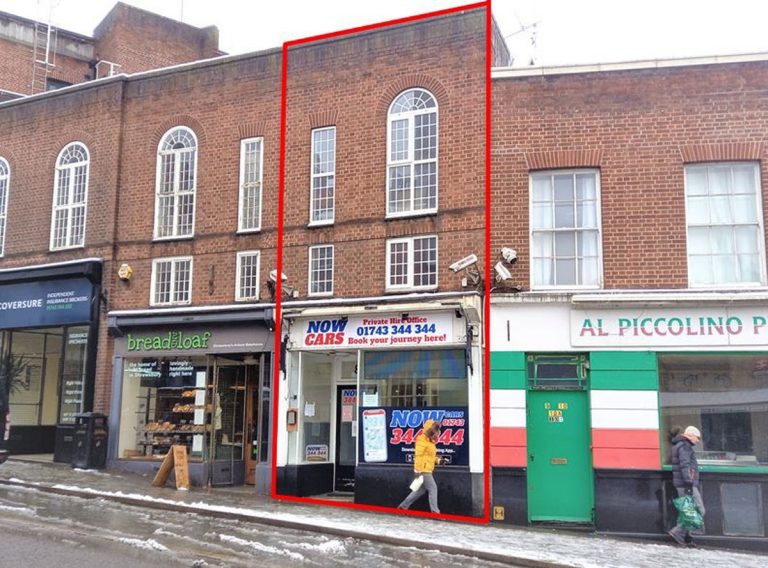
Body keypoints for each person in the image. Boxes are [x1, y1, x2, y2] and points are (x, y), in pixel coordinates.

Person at [668, 425, 705, 546]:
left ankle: (687, 537)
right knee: (699, 510)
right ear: (690, 435)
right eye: (697, 437)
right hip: (686, 484)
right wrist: (689, 481)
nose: (698, 440)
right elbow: (685, 465)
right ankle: (677, 532)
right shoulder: (685, 446)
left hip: (682, 483)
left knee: (688, 511)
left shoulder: (679, 445)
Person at [398, 419, 444, 513]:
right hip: (423, 470)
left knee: (420, 491)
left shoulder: (430, 441)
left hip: (426, 469)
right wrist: (417, 471)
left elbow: (430, 457)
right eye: (436, 430)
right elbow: (418, 456)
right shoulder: (421, 440)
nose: (437, 433)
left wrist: (439, 460)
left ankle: (403, 506)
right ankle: (435, 512)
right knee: (433, 489)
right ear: (430, 430)